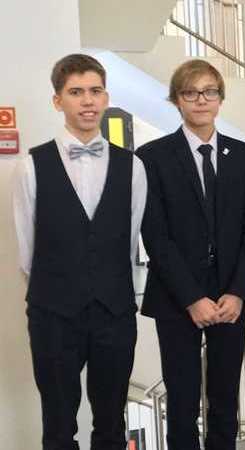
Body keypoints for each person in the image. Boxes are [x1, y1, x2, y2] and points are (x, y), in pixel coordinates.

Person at [12, 53, 147, 449]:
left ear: (106, 98)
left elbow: (129, 238)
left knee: (111, 424)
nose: (87, 101)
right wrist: (58, 292)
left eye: (95, 91)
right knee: (58, 425)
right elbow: (28, 250)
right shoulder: (31, 166)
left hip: (114, 313)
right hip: (53, 315)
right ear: (58, 101)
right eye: (76, 92)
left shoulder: (133, 166)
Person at [136, 59, 245, 450]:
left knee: (225, 399)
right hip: (177, 297)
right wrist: (192, 298)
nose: (201, 100)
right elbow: (155, 235)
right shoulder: (152, 157)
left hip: (230, 296)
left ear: (220, 99)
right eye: (190, 93)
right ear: (177, 100)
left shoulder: (244, 156)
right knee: (182, 401)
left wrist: (238, 291)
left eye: (209, 91)